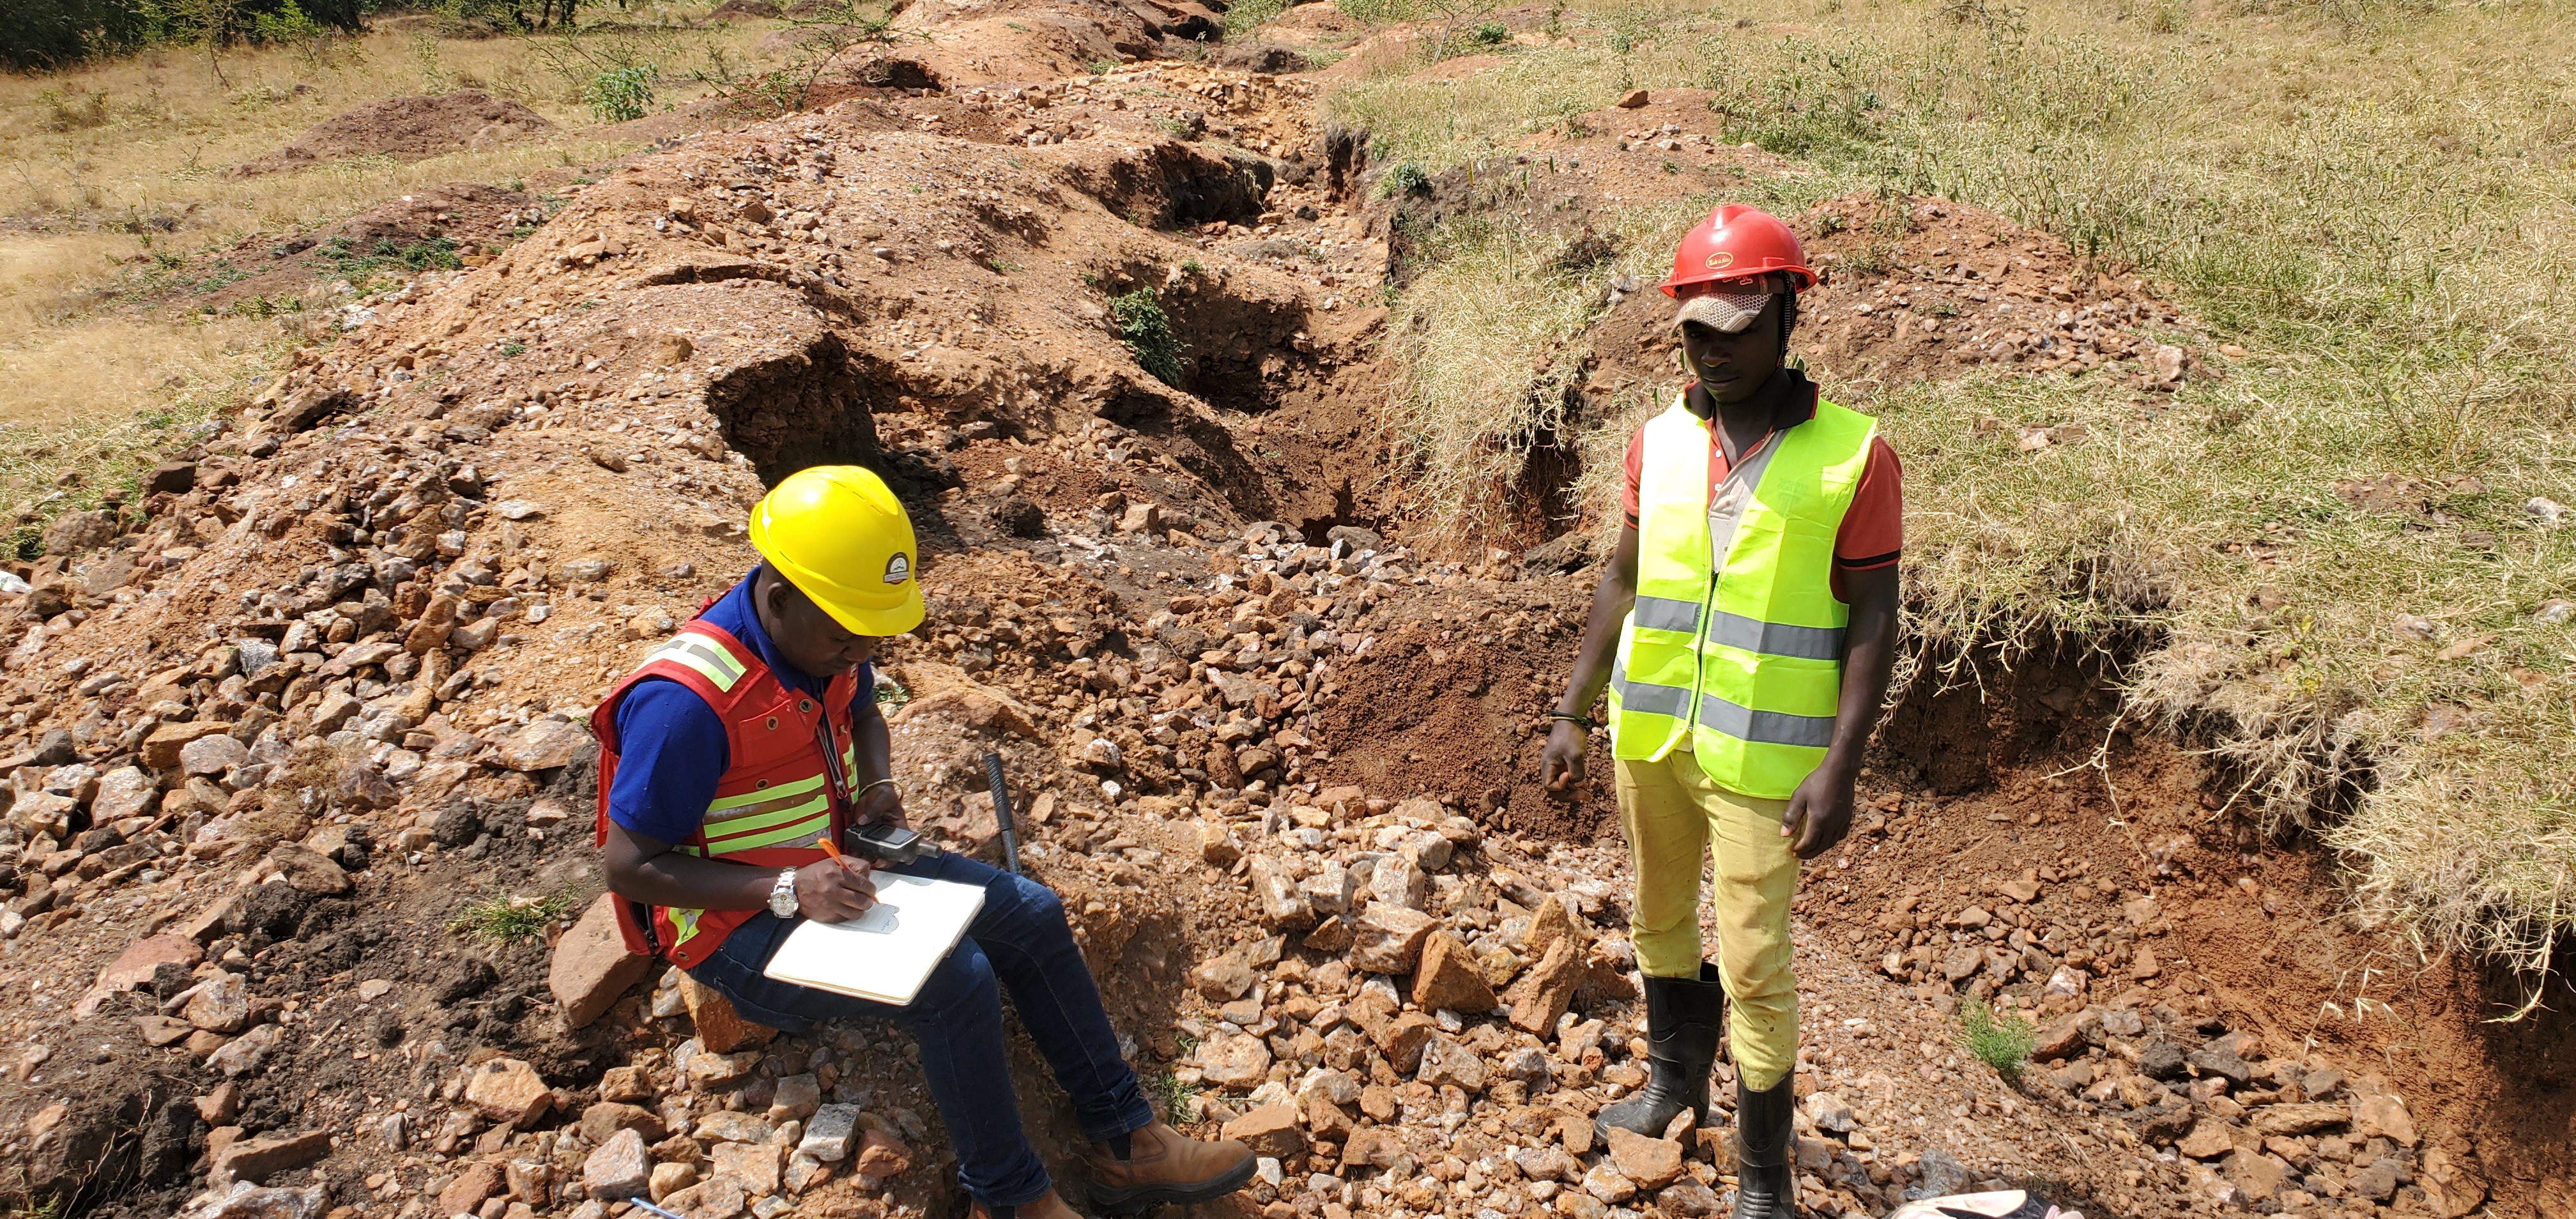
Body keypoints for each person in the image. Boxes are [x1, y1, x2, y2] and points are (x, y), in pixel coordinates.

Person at [591, 465, 1256, 1219]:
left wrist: (874, 786)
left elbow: (866, 712)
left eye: (871, 638)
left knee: (1032, 913)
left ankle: (1130, 1143)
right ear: (778, 599)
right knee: (953, 980)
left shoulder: (828, 633)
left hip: (837, 867)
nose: (860, 654)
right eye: (849, 640)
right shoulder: (686, 706)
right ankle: (1012, 1201)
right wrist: (785, 890)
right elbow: (629, 866)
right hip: (731, 925)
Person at [1538, 205, 1903, 1219]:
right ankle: (1669, 1088)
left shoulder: (1852, 457)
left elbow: (1876, 612)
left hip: (1765, 759)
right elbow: (1620, 578)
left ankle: (1762, 1176)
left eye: (1739, 327)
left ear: (1788, 316)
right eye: (1698, 329)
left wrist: (1844, 765)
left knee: (1753, 957)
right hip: (1651, 737)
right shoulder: (1656, 440)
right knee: (1657, 915)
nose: (1717, 350)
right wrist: (1573, 710)